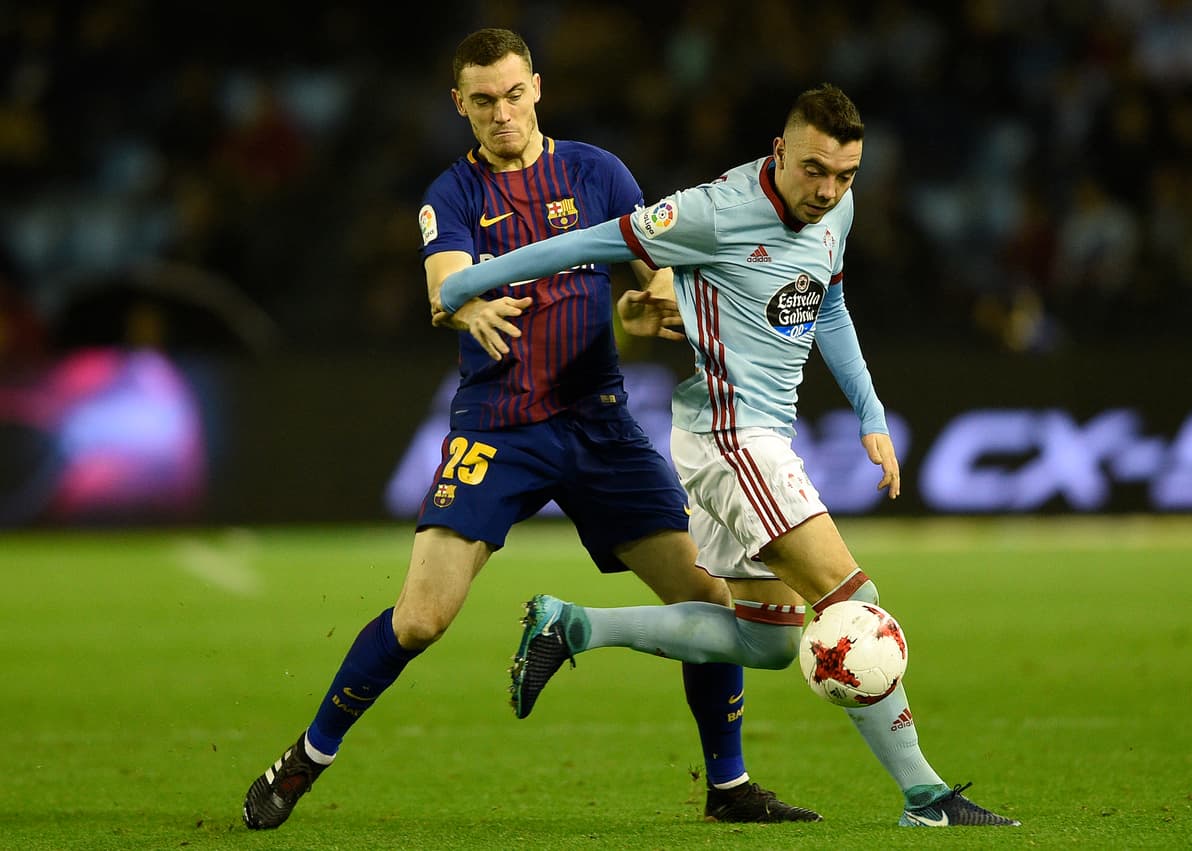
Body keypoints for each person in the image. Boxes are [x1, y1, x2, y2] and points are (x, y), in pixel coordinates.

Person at [241, 28, 819, 830]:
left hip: (599, 424)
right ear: (460, 104)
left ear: (537, 87)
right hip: (501, 424)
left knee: (707, 600)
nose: (501, 114)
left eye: (513, 95)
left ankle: (728, 784)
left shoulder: (597, 172)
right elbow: (443, 284)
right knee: (420, 618)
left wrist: (660, 307)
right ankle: (308, 755)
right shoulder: (452, 194)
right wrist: (468, 303)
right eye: (483, 101)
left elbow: (660, 283)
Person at [435, 83, 1021, 828]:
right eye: (814, 170)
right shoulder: (713, 210)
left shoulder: (835, 208)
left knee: (766, 642)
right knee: (855, 606)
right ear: (781, 150)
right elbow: (594, 241)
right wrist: (473, 279)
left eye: (845, 175)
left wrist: (868, 408)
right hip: (731, 438)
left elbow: (828, 302)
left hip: (760, 436)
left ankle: (573, 625)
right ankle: (926, 797)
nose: (829, 189)